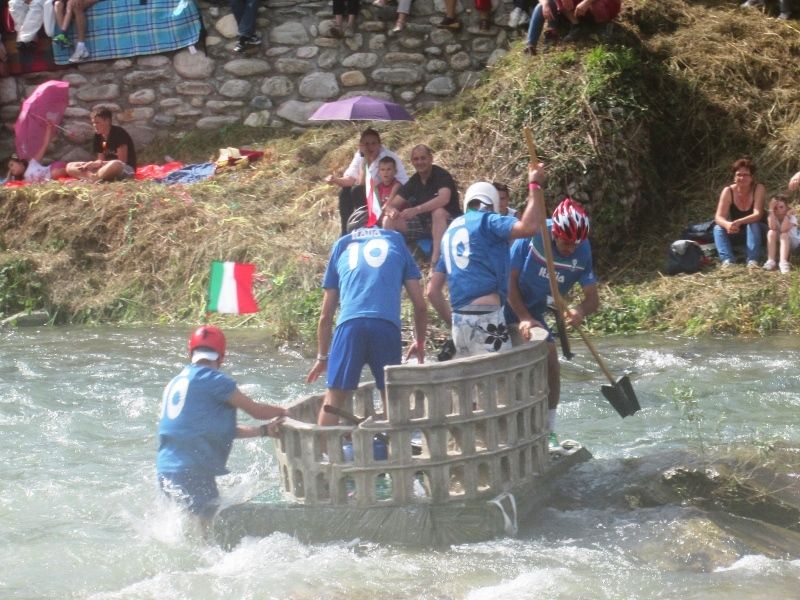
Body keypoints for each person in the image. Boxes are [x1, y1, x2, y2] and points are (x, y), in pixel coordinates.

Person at [306, 207, 427, 426]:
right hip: (385, 325)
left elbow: (325, 316)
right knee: (390, 394)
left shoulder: (342, 245)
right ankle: (394, 446)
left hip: (349, 325)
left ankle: (323, 446)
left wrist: (322, 357)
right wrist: (419, 341)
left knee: (333, 398)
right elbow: (420, 306)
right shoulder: (396, 240)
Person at [157, 325, 287, 525]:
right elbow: (256, 411)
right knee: (209, 530)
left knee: (189, 528)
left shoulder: (176, 382)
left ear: (190, 353)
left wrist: (263, 431)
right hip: (193, 471)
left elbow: (211, 430)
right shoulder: (215, 380)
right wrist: (286, 412)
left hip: (166, 469)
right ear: (221, 357)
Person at [427, 167, 547, 358]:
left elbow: (432, 291)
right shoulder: (488, 220)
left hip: (459, 322)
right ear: (492, 204)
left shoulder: (450, 232)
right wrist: (535, 185)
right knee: (503, 373)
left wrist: (454, 322)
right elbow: (530, 227)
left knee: (476, 376)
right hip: (486, 315)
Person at [506, 197, 598, 445]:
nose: (570, 249)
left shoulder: (582, 250)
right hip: (505, 306)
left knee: (551, 362)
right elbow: (507, 281)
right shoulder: (533, 237)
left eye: (575, 244)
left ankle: (549, 429)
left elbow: (593, 299)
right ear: (555, 232)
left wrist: (579, 310)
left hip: (534, 312)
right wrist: (523, 317)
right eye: (566, 242)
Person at [382, 144, 461, 266]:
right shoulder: (414, 180)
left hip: (447, 222)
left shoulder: (441, 175)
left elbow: (444, 199)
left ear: (431, 158)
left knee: (438, 212)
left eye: (423, 158)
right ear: (412, 162)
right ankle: (393, 262)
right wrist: (391, 210)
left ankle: (435, 262)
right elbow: (391, 204)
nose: (419, 162)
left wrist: (417, 209)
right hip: (423, 224)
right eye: (416, 159)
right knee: (388, 220)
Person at [325, 128, 408, 236]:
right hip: (370, 192)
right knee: (344, 192)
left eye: (373, 143)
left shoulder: (389, 157)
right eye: (366, 144)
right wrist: (335, 179)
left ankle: (367, 225)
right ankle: (345, 231)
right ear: (361, 145)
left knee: (357, 190)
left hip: (385, 195)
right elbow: (350, 179)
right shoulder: (360, 155)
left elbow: (402, 183)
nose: (370, 147)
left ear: (379, 144)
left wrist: (367, 161)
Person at [713, 157, 765, 267]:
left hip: (757, 231)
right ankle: (728, 260)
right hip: (737, 230)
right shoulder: (728, 191)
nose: (742, 178)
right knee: (718, 228)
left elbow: (757, 215)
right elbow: (718, 217)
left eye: (746, 175)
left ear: (752, 177)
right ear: (734, 177)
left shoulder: (758, 188)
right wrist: (727, 224)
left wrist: (740, 221)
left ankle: (752, 260)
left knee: (752, 224)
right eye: (739, 175)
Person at [66, 107, 137, 182]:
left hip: (123, 168)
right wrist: (92, 164)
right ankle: (94, 178)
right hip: (104, 168)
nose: (94, 125)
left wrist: (100, 163)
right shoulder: (98, 136)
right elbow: (101, 159)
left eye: (97, 123)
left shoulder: (119, 133)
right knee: (70, 166)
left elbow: (122, 162)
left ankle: (92, 178)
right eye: (93, 123)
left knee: (116, 164)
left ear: (107, 121)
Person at [763, 194, 798, 273]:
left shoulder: (792, 217)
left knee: (784, 234)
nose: (778, 210)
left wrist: (787, 215)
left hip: (792, 243)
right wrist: (771, 210)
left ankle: (783, 262)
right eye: (775, 208)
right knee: (771, 232)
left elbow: (783, 229)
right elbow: (772, 227)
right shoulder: (772, 216)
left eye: (781, 207)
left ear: (787, 207)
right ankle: (771, 260)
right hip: (780, 243)